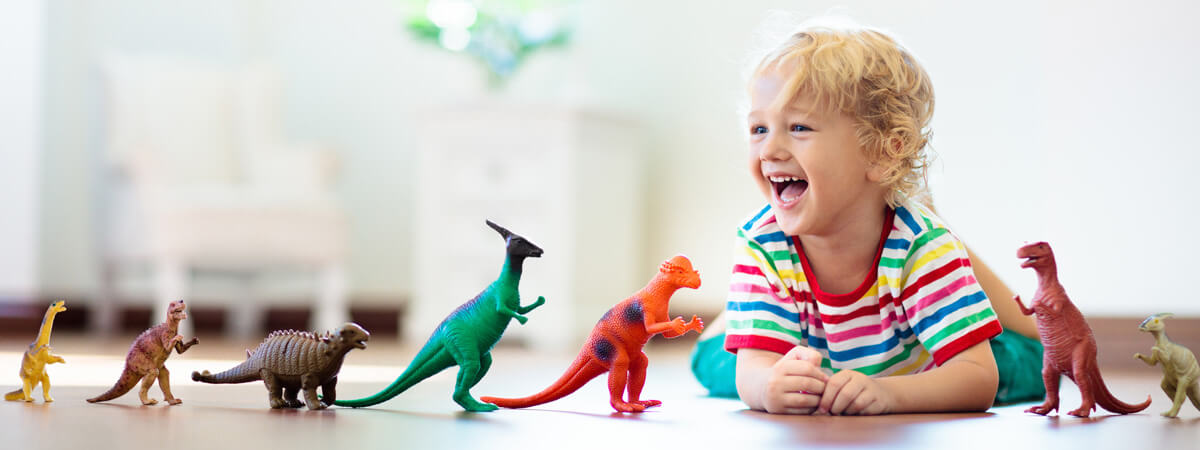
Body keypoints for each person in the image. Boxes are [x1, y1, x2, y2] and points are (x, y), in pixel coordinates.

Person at [689, 18, 1044, 415]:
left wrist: (891, 394)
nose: (769, 149)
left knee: (1028, 366)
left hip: (915, 359)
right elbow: (752, 371)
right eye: (758, 128)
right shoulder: (762, 242)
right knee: (716, 367)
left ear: (881, 153)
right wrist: (767, 386)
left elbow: (979, 378)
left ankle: (925, 219)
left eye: (799, 127)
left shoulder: (919, 246)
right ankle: (740, 319)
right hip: (815, 351)